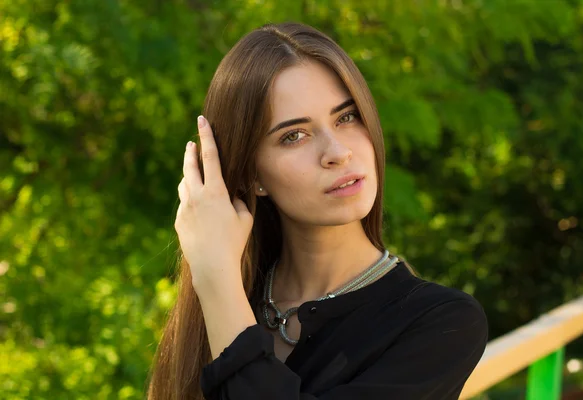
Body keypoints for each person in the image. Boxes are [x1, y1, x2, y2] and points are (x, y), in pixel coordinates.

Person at [146, 22, 488, 400]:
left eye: (347, 117)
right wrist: (218, 278)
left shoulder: (441, 323)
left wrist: (215, 279)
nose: (338, 151)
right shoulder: (223, 301)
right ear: (253, 175)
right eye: (294, 135)